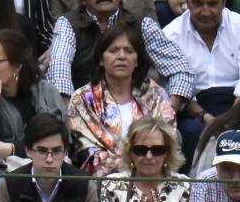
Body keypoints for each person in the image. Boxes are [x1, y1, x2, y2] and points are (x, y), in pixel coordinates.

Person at [68, 18, 176, 177]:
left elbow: (167, 145)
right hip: (101, 186)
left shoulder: (155, 95)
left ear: (137, 60)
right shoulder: (82, 99)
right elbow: (84, 154)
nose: (122, 57)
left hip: (152, 180)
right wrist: (137, 163)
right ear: (101, 59)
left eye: (129, 51)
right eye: (113, 50)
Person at [48, 0, 193, 110]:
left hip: (139, 115)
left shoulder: (142, 23)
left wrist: (166, 112)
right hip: (84, 112)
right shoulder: (68, 24)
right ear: (83, 0)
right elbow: (59, 74)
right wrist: (72, 117)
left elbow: (180, 70)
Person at [164, 0, 240, 162]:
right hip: (193, 109)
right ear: (187, 1)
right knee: (192, 131)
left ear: (224, 2)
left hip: (236, 105)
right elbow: (174, 87)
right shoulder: (171, 34)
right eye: (198, 4)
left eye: (213, 4)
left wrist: (230, 119)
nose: (206, 11)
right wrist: (204, 117)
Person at [0, 29, 67, 167]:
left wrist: (11, 149)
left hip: (46, 166)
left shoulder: (47, 93)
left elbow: (60, 145)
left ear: (17, 65)